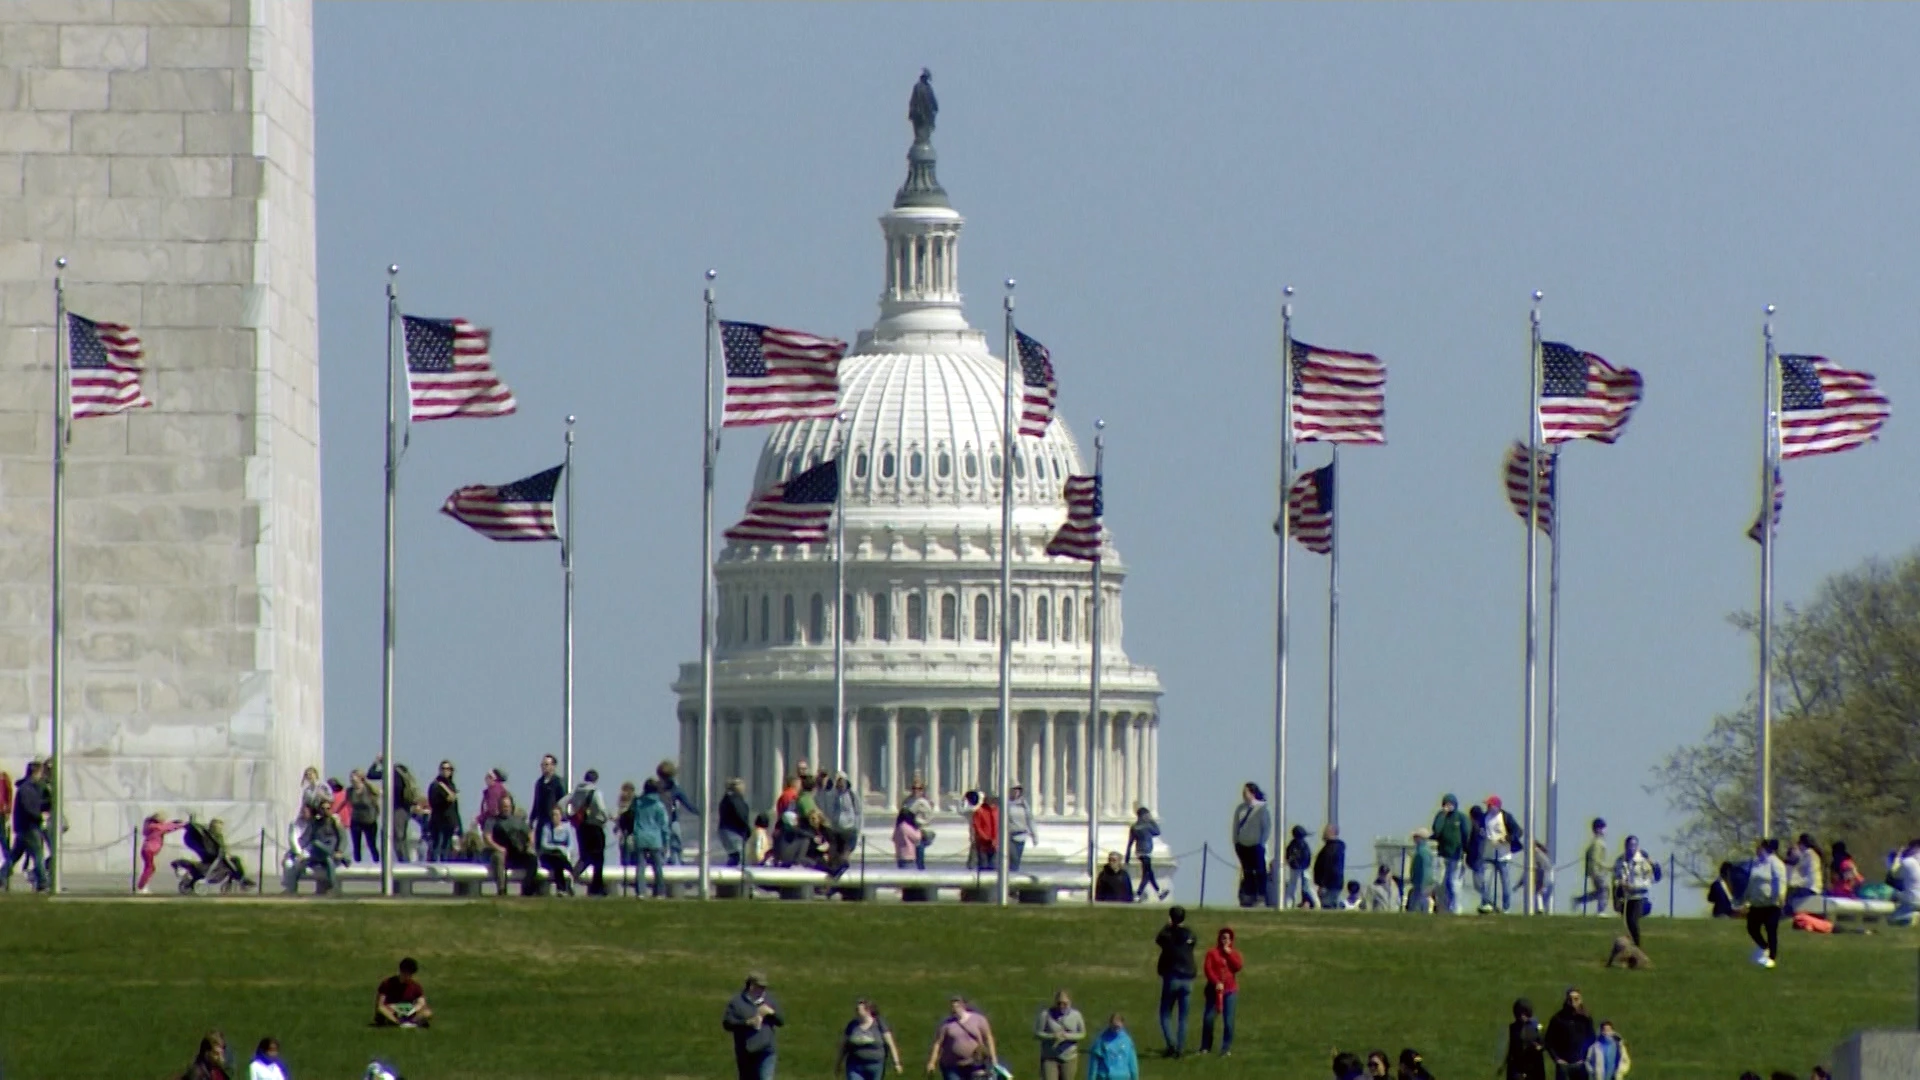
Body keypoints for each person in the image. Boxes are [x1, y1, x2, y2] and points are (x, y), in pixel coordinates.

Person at [1153, 904, 1197, 1057]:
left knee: (1165, 1013)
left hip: (1172, 975)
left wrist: (1168, 926)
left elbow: (1158, 939)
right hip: (1188, 977)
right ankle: (1180, 1048)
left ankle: (1171, 1044)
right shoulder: (1190, 934)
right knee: (1183, 1016)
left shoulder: (1168, 935)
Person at [722, 972, 783, 1080]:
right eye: (760, 987)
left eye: (764, 987)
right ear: (751, 986)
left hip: (766, 1050)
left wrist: (771, 1013)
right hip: (745, 1052)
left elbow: (781, 1021)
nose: (763, 990)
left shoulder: (769, 1001)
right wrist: (747, 1022)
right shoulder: (737, 1002)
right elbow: (727, 1023)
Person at [2, 761, 48, 892]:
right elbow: (29, 808)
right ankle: (42, 882)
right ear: (35, 772)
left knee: (15, 856)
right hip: (29, 827)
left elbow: (38, 804)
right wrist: (39, 817)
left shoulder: (31, 788)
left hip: (25, 827)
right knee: (38, 855)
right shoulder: (26, 789)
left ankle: (2, 876)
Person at [926, 997, 996, 1080]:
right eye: (952, 1007)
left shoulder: (978, 1020)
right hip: (952, 1066)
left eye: (956, 1007)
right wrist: (932, 1062)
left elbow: (988, 1038)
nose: (954, 1010)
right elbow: (937, 1043)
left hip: (975, 1064)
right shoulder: (946, 1025)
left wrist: (993, 1058)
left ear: (963, 1006)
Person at [483, 792, 537, 895]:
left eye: (508, 806)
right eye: (503, 806)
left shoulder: (518, 821)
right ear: (499, 807)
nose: (506, 808)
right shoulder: (492, 820)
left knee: (532, 859)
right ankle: (502, 890)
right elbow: (487, 837)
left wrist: (529, 844)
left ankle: (527, 890)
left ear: (512, 806)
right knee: (498, 857)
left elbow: (530, 832)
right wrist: (499, 848)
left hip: (517, 852)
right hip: (501, 851)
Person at [1612, 835, 1661, 948]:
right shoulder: (1620, 861)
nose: (1631, 848)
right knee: (1627, 923)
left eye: (1634, 846)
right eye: (1629, 846)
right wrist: (1619, 888)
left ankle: (1637, 947)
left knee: (1632, 921)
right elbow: (1616, 878)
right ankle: (1631, 946)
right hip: (1626, 897)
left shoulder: (1643, 861)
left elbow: (1649, 881)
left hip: (1640, 897)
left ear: (1637, 847)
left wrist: (1633, 887)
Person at [566, 769, 610, 895]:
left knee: (585, 856)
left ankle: (573, 875)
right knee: (598, 858)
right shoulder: (595, 792)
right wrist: (607, 818)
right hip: (595, 826)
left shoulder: (577, 791)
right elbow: (601, 809)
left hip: (581, 827)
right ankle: (596, 887)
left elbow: (566, 803)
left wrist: (569, 815)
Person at [1745, 837, 1787, 967]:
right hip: (1757, 904)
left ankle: (1771, 957)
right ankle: (1764, 947)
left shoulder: (1776, 863)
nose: (1757, 849)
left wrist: (1779, 897)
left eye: (1760, 847)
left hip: (1771, 904)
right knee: (1752, 928)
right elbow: (1751, 882)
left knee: (1771, 930)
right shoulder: (1756, 863)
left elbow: (1780, 881)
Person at [836, 998, 902, 1080]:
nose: (856, 1011)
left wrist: (896, 1063)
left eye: (858, 1009)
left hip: (875, 1066)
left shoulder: (879, 1024)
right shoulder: (852, 1025)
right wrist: (838, 1063)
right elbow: (843, 1045)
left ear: (867, 1011)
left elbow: (890, 1044)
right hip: (855, 1065)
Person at [287, 800, 343, 895]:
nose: (325, 811)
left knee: (328, 859)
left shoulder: (335, 823)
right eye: (323, 808)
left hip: (332, 853)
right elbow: (306, 839)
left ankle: (333, 887)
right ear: (319, 810)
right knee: (298, 862)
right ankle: (292, 889)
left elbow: (342, 838)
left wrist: (340, 851)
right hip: (318, 855)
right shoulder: (315, 824)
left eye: (328, 808)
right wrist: (299, 852)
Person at [1199, 926, 1240, 1056]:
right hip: (1213, 990)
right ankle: (1205, 1046)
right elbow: (1208, 968)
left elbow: (1238, 966)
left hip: (1230, 991)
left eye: (1228, 938)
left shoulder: (1234, 953)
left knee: (1228, 1021)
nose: (1225, 941)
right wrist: (1216, 982)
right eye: (1223, 938)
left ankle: (1226, 1048)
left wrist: (1229, 955)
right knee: (1209, 1019)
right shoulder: (1212, 953)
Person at [655, 760, 701, 865]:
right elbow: (688, 804)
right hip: (671, 821)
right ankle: (676, 863)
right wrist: (701, 813)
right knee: (675, 845)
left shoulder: (655, 788)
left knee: (662, 847)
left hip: (658, 823)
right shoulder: (675, 789)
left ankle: (665, 863)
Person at [1232, 782, 1271, 908]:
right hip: (1243, 845)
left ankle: (1260, 896)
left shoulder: (1261, 809)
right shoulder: (1240, 809)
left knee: (1259, 872)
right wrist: (1236, 842)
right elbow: (1235, 826)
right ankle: (1248, 895)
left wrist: (1261, 843)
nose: (1244, 795)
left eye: (1246, 792)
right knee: (1247, 872)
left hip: (1256, 845)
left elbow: (1266, 828)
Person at [1431, 793, 1471, 914]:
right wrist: (1443, 815)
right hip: (1442, 855)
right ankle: (1445, 907)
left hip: (1456, 856)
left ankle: (1456, 908)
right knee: (1442, 883)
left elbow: (1466, 834)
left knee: (1454, 883)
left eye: (1450, 804)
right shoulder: (1441, 816)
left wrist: (1465, 852)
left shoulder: (1461, 818)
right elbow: (1436, 831)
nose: (1448, 806)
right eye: (1446, 804)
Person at [1034, 989, 1086, 1080]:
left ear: (1070, 1002)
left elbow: (1082, 1034)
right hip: (1050, 1057)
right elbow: (1037, 1034)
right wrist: (1052, 1036)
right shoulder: (1046, 1014)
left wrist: (1067, 1036)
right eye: (1059, 1003)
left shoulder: (1076, 1015)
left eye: (1065, 1003)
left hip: (1069, 1057)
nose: (1061, 1006)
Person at [631, 778, 670, 898]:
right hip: (655, 838)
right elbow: (664, 825)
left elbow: (633, 816)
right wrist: (666, 842)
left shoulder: (638, 803)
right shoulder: (659, 806)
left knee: (641, 867)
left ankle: (641, 892)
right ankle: (660, 892)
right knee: (657, 867)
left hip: (640, 836)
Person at [1544, 988, 1594, 1080]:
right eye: (1570, 999)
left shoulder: (1585, 1019)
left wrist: (1585, 1058)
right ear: (1566, 1000)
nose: (1573, 1002)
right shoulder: (1558, 1019)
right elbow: (1548, 1041)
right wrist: (1557, 1059)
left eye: (1576, 999)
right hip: (1563, 1065)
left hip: (1580, 1064)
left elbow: (1591, 1039)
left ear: (1580, 1000)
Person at [374, 957, 432, 1028]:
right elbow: (380, 1005)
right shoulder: (387, 983)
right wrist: (392, 1007)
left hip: (408, 1010)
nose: (408, 976)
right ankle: (397, 1023)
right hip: (391, 1010)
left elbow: (422, 1003)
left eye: (410, 974)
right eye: (405, 973)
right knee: (382, 1010)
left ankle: (411, 1022)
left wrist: (413, 1009)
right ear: (400, 971)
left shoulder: (415, 986)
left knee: (427, 1012)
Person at [821, 773, 863, 870]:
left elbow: (858, 813)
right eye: (838, 781)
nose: (841, 784)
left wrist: (857, 829)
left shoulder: (852, 795)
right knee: (837, 856)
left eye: (842, 781)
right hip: (837, 830)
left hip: (849, 829)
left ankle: (845, 871)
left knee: (845, 854)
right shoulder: (833, 795)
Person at [1483, 795, 1517, 913]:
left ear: (1496, 806)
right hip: (1489, 854)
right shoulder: (1485, 817)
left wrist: (1507, 838)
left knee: (1505, 882)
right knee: (1486, 880)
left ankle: (1506, 907)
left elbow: (1517, 831)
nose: (1488, 807)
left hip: (1503, 855)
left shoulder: (1506, 817)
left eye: (1490, 805)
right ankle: (1486, 904)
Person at [137, 812, 185, 893]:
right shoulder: (156, 827)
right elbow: (167, 828)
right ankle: (141, 887)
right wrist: (182, 825)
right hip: (149, 850)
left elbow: (166, 826)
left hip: (147, 849)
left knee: (150, 868)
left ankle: (143, 886)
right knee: (149, 868)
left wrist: (174, 823)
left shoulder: (151, 826)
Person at [1127, 806, 1166, 901]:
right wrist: (1152, 820)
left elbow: (1130, 842)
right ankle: (1138, 894)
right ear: (1144, 815)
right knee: (1146, 875)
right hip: (1147, 852)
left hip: (1139, 852)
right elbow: (1157, 832)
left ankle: (1159, 892)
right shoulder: (1148, 826)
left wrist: (1127, 856)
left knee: (1149, 874)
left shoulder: (1134, 827)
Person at [1503, 998, 1548, 1080]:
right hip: (1518, 1064)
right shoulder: (1513, 1027)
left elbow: (1546, 1040)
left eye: (1524, 1014)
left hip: (1534, 1064)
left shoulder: (1537, 1026)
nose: (1522, 1016)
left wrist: (1540, 1047)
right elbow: (1512, 1047)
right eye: (1520, 1014)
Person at [536, 805, 576, 896]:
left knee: (558, 863)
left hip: (561, 856)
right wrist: (558, 848)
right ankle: (569, 876)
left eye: (557, 815)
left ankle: (562, 888)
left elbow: (571, 845)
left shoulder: (567, 828)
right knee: (557, 860)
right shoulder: (547, 827)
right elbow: (544, 844)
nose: (555, 817)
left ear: (561, 816)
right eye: (553, 815)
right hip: (548, 856)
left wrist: (564, 850)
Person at [1085, 1014, 1139, 1080]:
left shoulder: (1127, 1040)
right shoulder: (1101, 1041)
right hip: (1105, 1077)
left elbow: (1133, 1063)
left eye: (1118, 1027)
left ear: (1122, 1024)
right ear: (1110, 1024)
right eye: (1114, 1027)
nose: (1116, 1029)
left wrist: (1135, 1077)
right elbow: (1093, 1064)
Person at [426, 761, 460, 862]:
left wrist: (458, 824)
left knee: (448, 848)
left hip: (449, 823)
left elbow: (455, 808)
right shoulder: (436, 785)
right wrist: (445, 800)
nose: (445, 771)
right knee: (437, 847)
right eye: (443, 769)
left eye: (448, 769)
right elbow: (433, 802)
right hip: (438, 822)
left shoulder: (452, 785)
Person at [348, 771, 381, 864]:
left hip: (369, 820)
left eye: (353, 777)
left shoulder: (369, 789)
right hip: (356, 820)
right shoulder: (350, 791)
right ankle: (357, 863)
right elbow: (348, 803)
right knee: (356, 845)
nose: (351, 780)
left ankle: (377, 862)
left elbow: (377, 797)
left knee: (371, 844)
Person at [718, 777, 753, 868]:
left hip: (729, 831)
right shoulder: (734, 799)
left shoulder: (728, 798)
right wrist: (748, 829)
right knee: (739, 857)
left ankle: (729, 877)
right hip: (733, 831)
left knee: (735, 856)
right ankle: (732, 878)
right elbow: (741, 815)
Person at [1579, 819, 1610, 914]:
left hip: (1596, 870)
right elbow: (1596, 858)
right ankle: (1601, 910)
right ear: (1599, 829)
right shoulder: (1598, 843)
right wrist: (1607, 867)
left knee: (1600, 891)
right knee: (1604, 890)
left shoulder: (1597, 842)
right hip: (1597, 871)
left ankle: (1579, 900)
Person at [529, 754, 567, 835]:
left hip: (553, 821)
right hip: (541, 821)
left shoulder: (558, 782)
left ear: (553, 766)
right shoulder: (539, 783)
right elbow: (536, 802)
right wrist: (532, 819)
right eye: (542, 765)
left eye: (546, 764)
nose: (543, 767)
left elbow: (562, 801)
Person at [1313, 824, 1347, 909]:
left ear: (1331, 832)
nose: (1323, 833)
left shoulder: (1331, 849)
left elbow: (1328, 867)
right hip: (1333, 883)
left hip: (1329, 885)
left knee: (1327, 906)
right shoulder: (1333, 847)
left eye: (1325, 831)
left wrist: (1322, 884)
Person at [1786, 833, 1824, 908]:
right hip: (1815, 887)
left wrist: (1792, 858)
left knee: (1789, 902)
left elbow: (1797, 867)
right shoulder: (1814, 854)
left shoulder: (1808, 854)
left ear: (1802, 844)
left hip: (1809, 887)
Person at [1283, 823, 1314, 908]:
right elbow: (1307, 856)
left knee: (1293, 887)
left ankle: (1288, 904)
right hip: (1301, 868)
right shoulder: (1302, 845)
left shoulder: (1291, 845)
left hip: (1296, 868)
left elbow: (1288, 856)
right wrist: (1303, 865)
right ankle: (1315, 904)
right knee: (1305, 887)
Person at [1005, 784, 1034, 871]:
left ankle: (1013, 876)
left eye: (1018, 790)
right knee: (1013, 858)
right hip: (1010, 836)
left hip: (1021, 835)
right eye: (1014, 790)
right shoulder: (1006, 804)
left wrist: (1034, 835)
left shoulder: (1024, 804)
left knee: (1017, 859)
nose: (1016, 792)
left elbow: (1030, 819)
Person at [1406, 828, 1434, 913]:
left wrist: (1422, 883)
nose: (1414, 839)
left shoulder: (1422, 852)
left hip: (1421, 883)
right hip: (1421, 882)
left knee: (1418, 902)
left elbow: (1424, 870)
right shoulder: (1424, 850)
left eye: (1416, 837)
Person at [970, 794, 999, 871]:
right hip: (983, 844)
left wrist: (995, 840)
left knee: (993, 866)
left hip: (995, 845)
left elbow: (999, 827)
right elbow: (977, 827)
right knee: (983, 865)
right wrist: (986, 838)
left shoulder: (998, 811)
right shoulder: (980, 811)